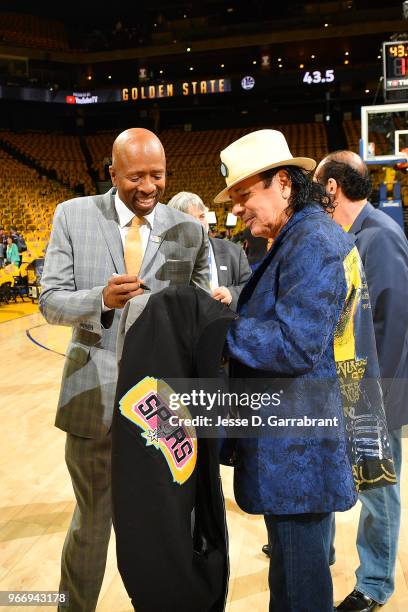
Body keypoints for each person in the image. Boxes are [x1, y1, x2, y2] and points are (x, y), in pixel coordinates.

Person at [214, 129, 395, 612]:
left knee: (299, 591)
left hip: (298, 457)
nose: (236, 210)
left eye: (244, 196)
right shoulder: (299, 235)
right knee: (293, 581)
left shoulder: (312, 240)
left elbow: (294, 345)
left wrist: (220, 331)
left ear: (284, 184)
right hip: (294, 451)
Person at [39, 127, 209, 612]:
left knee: (165, 524)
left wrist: (218, 304)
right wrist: (100, 300)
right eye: (136, 177)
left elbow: (203, 305)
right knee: (94, 522)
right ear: (112, 173)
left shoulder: (188, 230)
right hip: (93, 397)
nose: (149, 187)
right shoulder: (72, 216)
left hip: (164, 405)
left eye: (158, 175)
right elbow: (49, 301)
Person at [314, 150, 408, 612]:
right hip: (347, 389)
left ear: (332, 188)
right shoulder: (347, 236)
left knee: (378, 493)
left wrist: (375, 401)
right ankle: (323, 552)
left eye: (317, 185)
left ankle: (374, 584)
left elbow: (394, 324)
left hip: (374, 395)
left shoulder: (380, 236)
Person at [167, 191, 252, 309]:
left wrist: (232, 294)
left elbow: (252, 287)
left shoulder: (233, 251)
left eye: (202, 216)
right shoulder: (163, 255)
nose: (200, 224)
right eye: (190, 218)